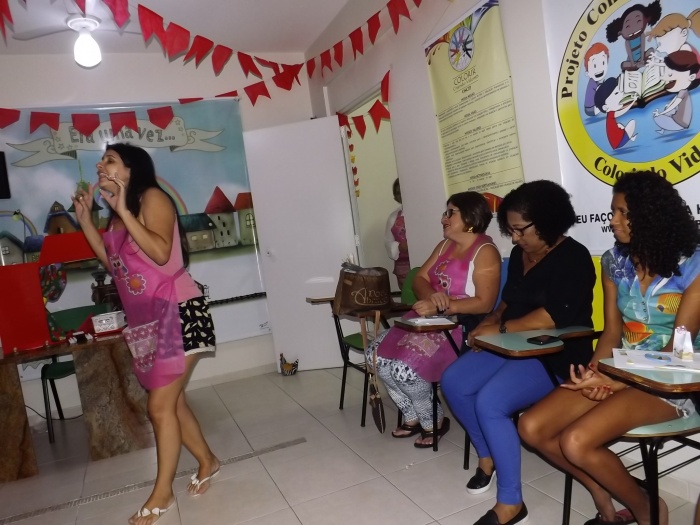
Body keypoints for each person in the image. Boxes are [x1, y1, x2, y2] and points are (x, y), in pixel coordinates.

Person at [518, 171, 700, 525]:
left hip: (674, 380)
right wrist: (594, 374)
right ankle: (603, 491)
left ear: (650, 216)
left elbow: (677, 349)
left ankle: (646, 510)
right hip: (622, 369)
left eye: (622, 213)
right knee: (532, 427)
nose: (613, 220)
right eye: (613, 211)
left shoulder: (693, 264)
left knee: (575, 441)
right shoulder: (614, 262)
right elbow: (612, 333)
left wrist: (615, 382)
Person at [72, 143, 219, 525]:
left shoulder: (153, 197)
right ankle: (208, 461)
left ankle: (162, 492)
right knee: (173, 402)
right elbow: (115, 265)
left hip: (180, 312)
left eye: (109, 160)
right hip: (148, 321)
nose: (100, 165)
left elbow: (160, 252)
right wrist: (86, 220)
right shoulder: (117, 217)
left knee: (159, 406)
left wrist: (123, 210)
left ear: (131, 168)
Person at [441, 180, 595, 525]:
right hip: (511, 345)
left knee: (490, 403)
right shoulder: (519, 257)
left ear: (548, 222)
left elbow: (553, 317)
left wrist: (501, 329)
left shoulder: (574, 257)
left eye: (520, 230)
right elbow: (507, 302)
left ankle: (512, 503)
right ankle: (488, 457)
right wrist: (490, 321)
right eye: (510, 230)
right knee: (454, 381)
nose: (514, 238)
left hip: (554, 354)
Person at [366, 191, 501, 448]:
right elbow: (419, 279)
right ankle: (412, 415)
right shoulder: (444, 246)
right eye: (444, 212)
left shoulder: (485, 251)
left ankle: (433, 420)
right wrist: (433, 297)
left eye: (450, 213)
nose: (443, 218)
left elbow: (485, 302)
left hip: (457, 324)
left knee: (403, 370)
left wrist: (444, 305)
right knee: (375, 355)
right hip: (427, 318)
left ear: (470, 216)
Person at [385, 178, 411, 289]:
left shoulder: (424, 213)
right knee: (407, 295)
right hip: (403, 267)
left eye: (402, 191)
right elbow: (387, 242)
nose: (401, 195)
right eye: (397, 193)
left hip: (424, 261)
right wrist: (399, 247)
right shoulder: (393, 217)